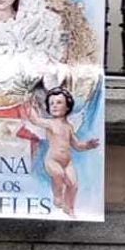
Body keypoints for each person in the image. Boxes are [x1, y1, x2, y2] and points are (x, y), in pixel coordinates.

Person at [24, 86, 101, 218]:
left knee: (73, 184)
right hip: (52, 160)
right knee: (58, 174)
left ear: (67, 107)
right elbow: (35, 120)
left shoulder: (69, 127)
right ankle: (58, 195)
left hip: (67, 162)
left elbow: (76, 145)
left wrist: (88, 145)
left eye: (59, 102)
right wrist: (29, 104)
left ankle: (69, 207)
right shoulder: (49, 123)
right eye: (51, 103)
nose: (54, 106)